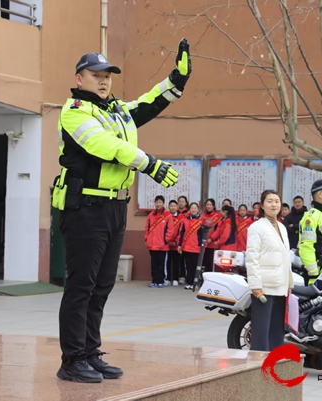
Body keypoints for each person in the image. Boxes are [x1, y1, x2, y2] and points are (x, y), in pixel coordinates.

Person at [52, 40, 191, 383]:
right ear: (79, 78)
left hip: (114, 208)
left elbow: (148, 103)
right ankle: (71, 359)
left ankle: (90, 353)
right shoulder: (74, 111)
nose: (103, 81)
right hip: (84, 208)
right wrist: (149, 164)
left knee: (101, 287)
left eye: (108, 76)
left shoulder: (116, 111)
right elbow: (105, 146)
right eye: (96, 75)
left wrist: (176, 80)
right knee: (81, 287)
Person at [245, 190, 293, 352]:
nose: (274, 205)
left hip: (280, 286)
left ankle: (274, 362)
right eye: (270, 201)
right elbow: (252, 258)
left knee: (276, 330)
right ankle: (257, 365)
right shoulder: (256, 227)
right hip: (264, 287)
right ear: (262, 206)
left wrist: (289, 282)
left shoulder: (282, 227)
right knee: (261, 331)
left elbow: (286, 257)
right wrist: (255, 285)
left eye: (277, 201)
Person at [145, 196, 171, 288]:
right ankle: (154, 280)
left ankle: (161, 280)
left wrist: (166, 240)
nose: (158, 204)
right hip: (152, 244)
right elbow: (147, 228)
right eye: (157, 202)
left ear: (163, 203)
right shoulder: (151, 215)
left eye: (160, 202)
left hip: (162, 245)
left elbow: (170, 230)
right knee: (154, 263)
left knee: (162, 263)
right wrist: (146, 239)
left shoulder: (167, 215)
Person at [178, 202, 203, 290]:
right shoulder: (185, 220)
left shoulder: (201, 220)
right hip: (187, 247)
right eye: (192, 208)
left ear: (198, 209)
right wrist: (180, 244)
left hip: (197, 247)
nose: (193, 210)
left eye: (195, 208)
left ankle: (195, 283)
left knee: (196, 266)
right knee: (188, 266)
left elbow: (203, 235)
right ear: (189, 210)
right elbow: (182, 233)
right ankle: (189, 283)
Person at [165, 200, 183, 286]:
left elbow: (181, 231)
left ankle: (176, 278)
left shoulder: (181, 218)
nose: (172, 208)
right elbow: (164, 230)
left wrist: (176, 241)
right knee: (167, 261)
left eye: (174, 206)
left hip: (176, 244)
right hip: (167, 244)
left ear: (177, 207)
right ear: (169, 207)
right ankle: (168, 278)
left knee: (177, 262)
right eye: (171, 206)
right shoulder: (165, 217)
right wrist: (168, 240)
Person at [202, 198, 221, 271]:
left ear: (213, 206)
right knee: (202, 261)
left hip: (212, 243)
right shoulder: (202, 216)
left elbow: (218, 229)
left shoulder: (217, 216)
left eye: (210, 205)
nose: (208, 206)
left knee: (210, 262)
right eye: (207, 205)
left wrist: (211, 238)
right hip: (203, 243)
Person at [176, 195, 189, 282]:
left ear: (186, 203)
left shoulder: (188, 213)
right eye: (179, 201)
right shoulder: (175, 213)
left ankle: (185, 276)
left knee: (186, 259)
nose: (181, 203)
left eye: (183, 201)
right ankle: (179, 276)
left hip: (186, 239)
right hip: (176, 239)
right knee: (178, 259)